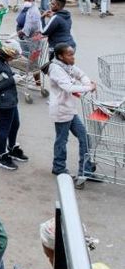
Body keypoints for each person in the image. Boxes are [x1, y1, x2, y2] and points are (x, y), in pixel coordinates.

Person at [45, 43, 97, 188]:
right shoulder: (56, 69)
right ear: (61, 56)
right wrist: (88, 87)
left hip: (70, 109)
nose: (73, 57)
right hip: (61, 110)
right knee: (62, 139)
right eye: (70, 55)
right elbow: (68, 87)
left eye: (72, 54)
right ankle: (59, 167)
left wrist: (88, 83)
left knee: (84, 137)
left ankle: (85, 170)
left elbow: (81, 74)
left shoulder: (67, 66)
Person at [0, 43, 30, 171]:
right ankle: (1, 156)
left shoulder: (1, 59)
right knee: (5, 128)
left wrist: (13, 76)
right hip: (3, 102)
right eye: (12, 57)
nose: (12, 59)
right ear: (6, 54)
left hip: (10, 99)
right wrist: (12, 80)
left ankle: (12, 148)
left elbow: (3, 76)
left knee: (15, 124)